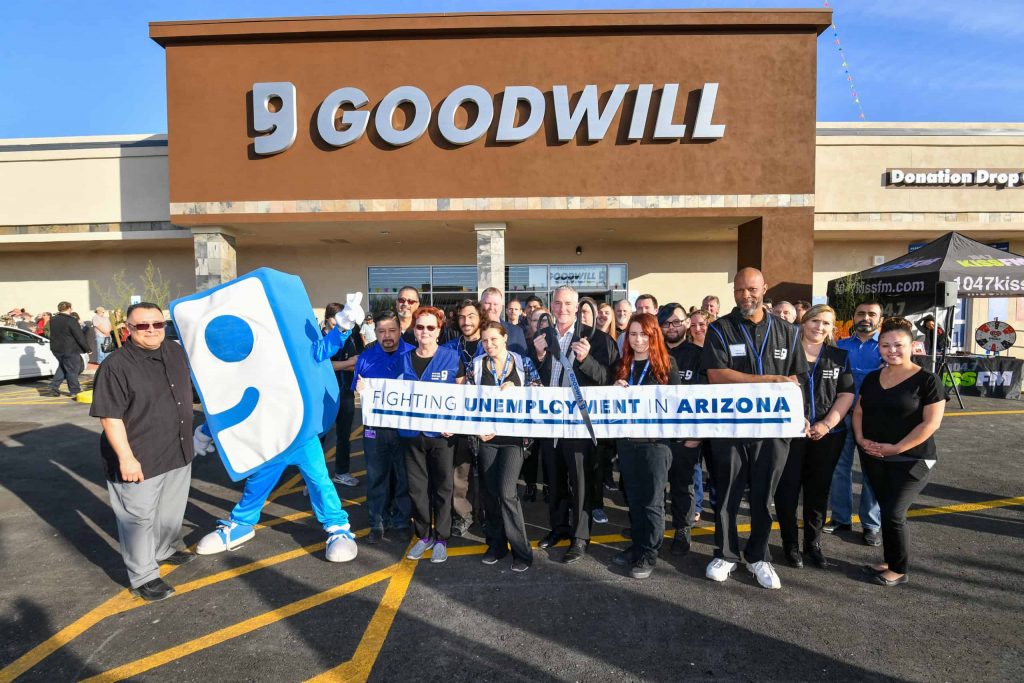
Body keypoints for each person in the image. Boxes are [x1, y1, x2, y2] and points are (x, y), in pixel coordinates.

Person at [701, 267, 807, 589]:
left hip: (772, 433)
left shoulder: (788, 332)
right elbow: (716, 374)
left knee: (764, 497)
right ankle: (726, 554)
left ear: (764, 289)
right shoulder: (720, 329)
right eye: (739, 290)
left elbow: (797, 378)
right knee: (727, 495)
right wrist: (771, 380)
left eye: (751, 289)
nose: (745, 295)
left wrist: (798, 410)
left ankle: (759, 556)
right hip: (730, 430)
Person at [90, 302, 195, 601]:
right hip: (139, 455)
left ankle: (164, 549)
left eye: (157, 324)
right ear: (128, 330)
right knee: (137, 519)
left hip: (177, 449)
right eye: (142, 326)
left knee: (170, 512)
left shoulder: (174, 352)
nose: (151, 330)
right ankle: (144, 575)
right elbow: (110, 417)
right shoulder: (116, 366)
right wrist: (126, 458)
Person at [532, 285, 618, 564]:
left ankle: (580, 537)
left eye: (568, 304)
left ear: (578, 307)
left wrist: (586, 360)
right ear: (551, 305)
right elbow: (541, 380)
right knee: (554, 479)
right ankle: (558, 528)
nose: (563, 309)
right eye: (557, 304)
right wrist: (541, 357)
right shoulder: (542, 336)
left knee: (580, 481)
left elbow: (607, 379)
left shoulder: (598, 339)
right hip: (552, 423)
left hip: (581, 424)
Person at [856, 317, 945, 586]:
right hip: (875, 456)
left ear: (912, 346)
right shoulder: (873, 377)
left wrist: (896, 447)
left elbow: (931, 423)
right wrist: (860, 439)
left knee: (894, 513)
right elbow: (859, 410)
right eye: (885, 345)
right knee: (886, 511)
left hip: (913, 459)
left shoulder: (927, 380)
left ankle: (899, 569)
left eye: (898, 345)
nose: (891, 350)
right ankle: (890, 560)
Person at [773, 305, 854, 569]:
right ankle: (790, 545)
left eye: (827, 323)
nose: (820, 327)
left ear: (833, 329)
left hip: (827, 436)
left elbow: (846, 395)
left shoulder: (839, 357)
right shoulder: (784, 355)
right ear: (803, 322)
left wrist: (827, 424)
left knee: (818, 493)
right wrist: (796, 418)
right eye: (815, 321)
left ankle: (813, 544)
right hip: (790, 434)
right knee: (787, 492)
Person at [607, 313, 680, 579]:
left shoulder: (666, 366)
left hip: (655, 445)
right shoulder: (622, 365)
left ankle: (650, 552)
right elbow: (608, 404)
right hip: (627, 443)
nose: (638, 340)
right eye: (633, 334)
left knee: (652, 502)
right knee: (635, 500)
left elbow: (676, 407)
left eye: (644, 334)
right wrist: (612, 389)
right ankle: (638, 545)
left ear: (654, 336)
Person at [394, 306, 465, 563]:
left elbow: (462, 396)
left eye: (430, 327)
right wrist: (367, 388)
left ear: (439, 331)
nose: (425, 331)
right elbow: (391, 392)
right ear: (414, 330)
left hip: (441, 436)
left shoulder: (451, 357)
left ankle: (442, 538)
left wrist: (455, 423)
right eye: (420, 327)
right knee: (417, 489)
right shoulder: (402, 358)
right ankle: (423, 536)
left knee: (443, 488)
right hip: (411, 435)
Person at [475, 321, 539, 572]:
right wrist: (477, 427)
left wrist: (519, 388)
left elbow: (539, 391)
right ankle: (496, 545)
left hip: (514, 438)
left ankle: (522, 552)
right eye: (484, 341)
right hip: (488, 437)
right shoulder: (478, 364)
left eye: (493, 339)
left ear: (504, 338)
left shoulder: (522, 362)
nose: (489, 345)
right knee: (490, 493)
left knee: (506, 492)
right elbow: (470, 398)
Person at [354, 311, 414, 543]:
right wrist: (359, 390)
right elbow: (357, 391)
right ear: (375, 332)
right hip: (375, 430)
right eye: (381, 331)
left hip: (404, 428)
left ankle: (401, 522)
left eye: (391, 330)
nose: (387, 336)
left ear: (400, 330)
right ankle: (377, 522)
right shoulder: (366, 357)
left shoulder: (412, 354)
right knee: (376, 478)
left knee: (403, 478)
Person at [828, 301, 884, 545]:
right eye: (861, 313)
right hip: (842, 415)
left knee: (872, 472)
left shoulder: (886, 347)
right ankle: (841, 518)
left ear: (880, 320)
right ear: (853, 317)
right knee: (840, 469)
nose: (866, 318)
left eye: (872, 314)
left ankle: (871, 524)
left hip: (873, 419)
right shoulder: (839, 347)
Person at [660, 305, 708, 554]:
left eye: (676, 322)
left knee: (682, 486)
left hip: (685, 436)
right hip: (655, 436)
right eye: (666, 323)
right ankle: (653, 530)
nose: (671, 327)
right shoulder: (651, 353)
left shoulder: (699, 355)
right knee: (655, 487)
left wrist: (697, 433)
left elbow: (706, 398)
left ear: (686, 323)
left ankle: (682, 530)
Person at [444, 299, 486, 536]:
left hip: (485, 418)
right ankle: (463, 515)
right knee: (461, 471)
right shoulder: (449, 347)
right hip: (458, 419)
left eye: (471, 316)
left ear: (480, 317)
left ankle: (489, 516)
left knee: (489, 471)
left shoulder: (490, 343)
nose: (466, 321)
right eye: (462, 317)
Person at [323, 302, 363, 487]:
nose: (344, 323)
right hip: (322, 396)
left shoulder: (347, 338)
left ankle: (342, 472)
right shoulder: (318, 339)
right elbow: (321, 366)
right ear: (329, 319)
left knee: (344, 435)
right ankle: (314, 480)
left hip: (346, 393)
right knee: (318, 438)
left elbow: (356, 364)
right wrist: (346, 363)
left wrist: (341, 364)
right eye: (340, 318)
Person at [46, 302, 90, 398]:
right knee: (72, 370)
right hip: (70, 349)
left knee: (63, 367)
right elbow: (79, 336)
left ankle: (53, 387)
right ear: (69, 308)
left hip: (57, 349)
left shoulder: (53, 319)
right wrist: (87, 349)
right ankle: (75, 390)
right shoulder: (71, 320)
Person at [481, 287, 528, 356]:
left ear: (501, 307)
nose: (491, 307)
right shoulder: (473, 331)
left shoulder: (516, 331)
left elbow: (523, 361)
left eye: (495, 304)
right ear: (481, 304)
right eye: (487, 303)